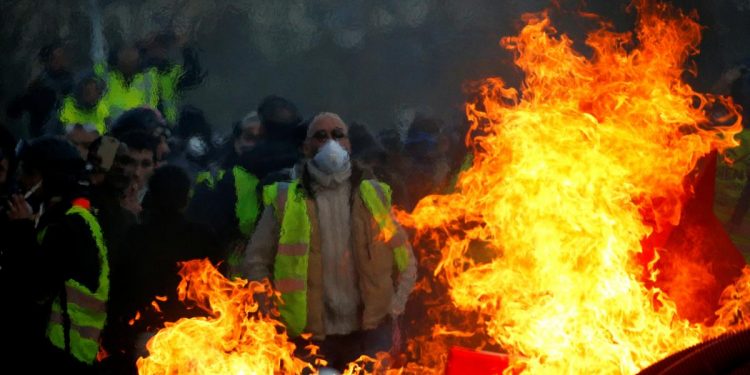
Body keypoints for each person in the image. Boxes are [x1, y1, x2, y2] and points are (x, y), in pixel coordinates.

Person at [240, 112, 417, 370]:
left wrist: (394, 307)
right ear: (306, 147)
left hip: (367, 334)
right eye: (320, 136)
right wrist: (271, 312)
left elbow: (406, 260)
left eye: (338, 135)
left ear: (348, 144)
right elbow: (255, 262)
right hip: (310, 338)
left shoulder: (373, 195)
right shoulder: (285, 199)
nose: (330, 142)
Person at [2, 137, 108, 373]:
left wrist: (20, 231)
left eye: (28, 173)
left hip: (62, 353)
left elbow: (36, 285)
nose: (20, 180)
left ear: (45, 178)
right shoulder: (64, 217)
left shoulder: (71, 225)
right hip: (60, 351)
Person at [103, 165, 221, 373]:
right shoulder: (204, 238)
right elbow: (219, 294)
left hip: (142, 340)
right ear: (186, 199)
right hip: (194, 340)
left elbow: (117, 294)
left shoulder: (133, 237)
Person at [6, 42, 74, 137]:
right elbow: (14, 111)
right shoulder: (38, 86)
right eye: (54, 58)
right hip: (42, 139)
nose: (59, 61)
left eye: (61, 57)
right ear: (47, 61)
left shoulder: (72, 83)